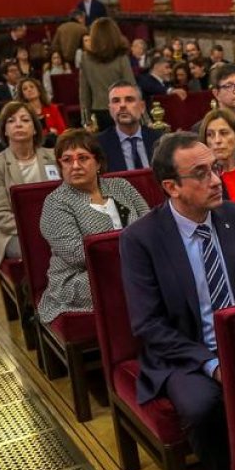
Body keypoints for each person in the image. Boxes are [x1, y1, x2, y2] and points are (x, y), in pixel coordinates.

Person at [121, 131, 235, 470]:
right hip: (184, 355)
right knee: (204, 405)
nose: (216, 179)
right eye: (201, 173)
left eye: (216, 168)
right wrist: (211, 363)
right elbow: (148, 325)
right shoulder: (142, 239)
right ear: (171, 187)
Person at [37, 129, 149, 325]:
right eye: (67, 160)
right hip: (79, 278)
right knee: (133, 280)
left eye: (83, 158)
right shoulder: (55, 203)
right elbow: (77, 254)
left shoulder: (122, 186)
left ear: (98, 163)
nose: (75, 166)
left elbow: (150, 227)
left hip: (132, 266)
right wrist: (135, 257)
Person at [0, 102, 58, 269]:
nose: (18, 124)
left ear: (35, 128)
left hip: (56, 227)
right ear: (4, 130)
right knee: (40, 248)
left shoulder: (53, 157)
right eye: (11, 121)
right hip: (14, 233)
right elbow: (0, 215)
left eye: (25, 120)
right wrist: (38, 231)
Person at [80, 18, 134, 130]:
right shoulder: (121, 58)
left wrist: (86, 120)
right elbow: (131, 87)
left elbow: (84, 93)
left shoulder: (86, 59)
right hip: (122, 109)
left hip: (99, 111)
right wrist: (143, 118)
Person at [96, 81, 160, 172]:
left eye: (129, 100)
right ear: (110, 109)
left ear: (142, 107)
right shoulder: (99, 145)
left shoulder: (160, 141)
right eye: (116, 101)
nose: (122, 105)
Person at [18, 76, 67, 141]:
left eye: (32, 87)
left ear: (39, 91)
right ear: (23, 95)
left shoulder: (52, 108)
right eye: (25, 89)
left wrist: (56, 133)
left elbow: (63, 131)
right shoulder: (23, 112)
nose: (29, 90)